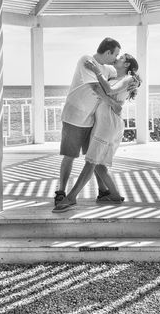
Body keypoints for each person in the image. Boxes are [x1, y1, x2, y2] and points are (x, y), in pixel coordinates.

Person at [53, 54, 140, 213]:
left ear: (127, 64)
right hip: (101, 121)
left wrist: (94, 70)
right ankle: (114, 195)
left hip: (109, 122)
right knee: (98, 164)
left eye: (120, 58)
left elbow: (109, 89)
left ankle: (71, 197)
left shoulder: (128, 78)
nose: (116, 59)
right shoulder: (115, 76)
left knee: (91, 162)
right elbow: (108, 88)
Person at [54, 38, 123, 206]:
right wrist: (113, 103)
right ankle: (61, 191)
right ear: (108, 52)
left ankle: (103, 191)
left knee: (94, 158)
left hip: (92, 119)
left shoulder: (107, 69)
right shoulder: (87, 60)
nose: (116, 58)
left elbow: (122, 74)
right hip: (75, 117)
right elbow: (96, 88)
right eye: (115, 54)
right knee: (69, 156)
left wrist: (134, 80)